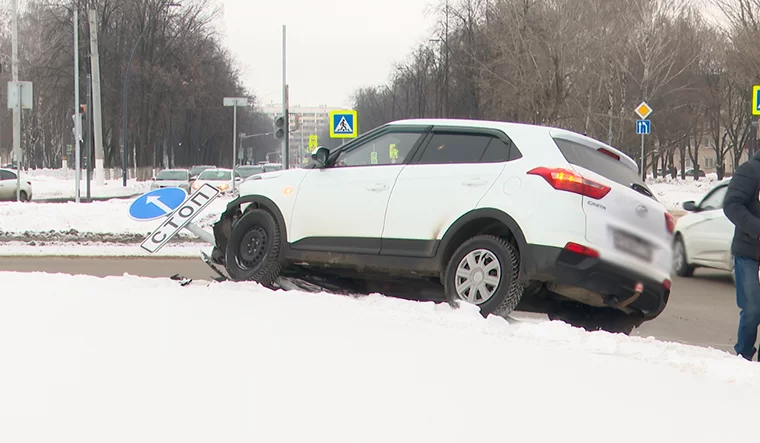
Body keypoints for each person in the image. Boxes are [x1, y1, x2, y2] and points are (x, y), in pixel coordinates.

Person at [724, 150, 760, 360]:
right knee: (753, 309)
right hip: (748, 252)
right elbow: (732, 205)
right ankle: (743, 355)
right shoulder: (750, 170)